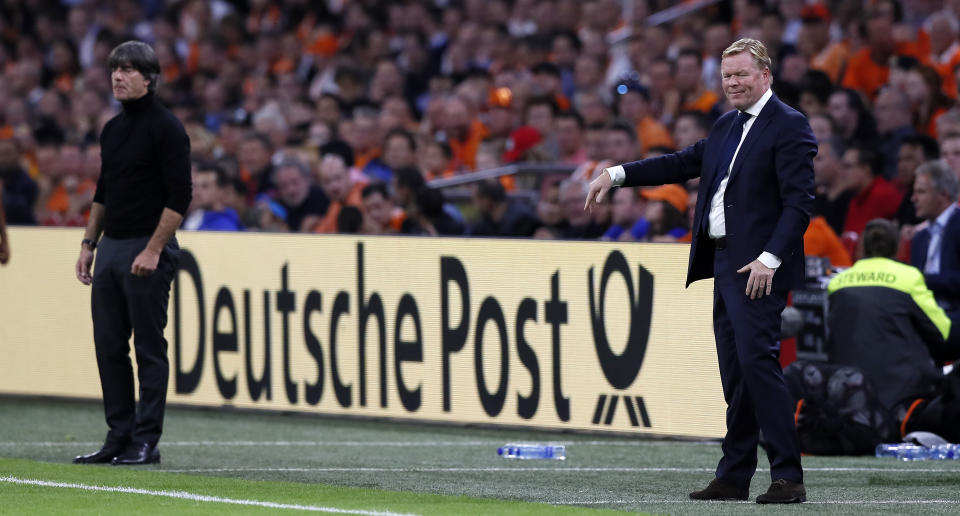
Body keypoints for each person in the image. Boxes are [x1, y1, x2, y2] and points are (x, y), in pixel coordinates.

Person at [585, 39, 813, 504]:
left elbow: (800, 203)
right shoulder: (727, 125)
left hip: (759, 266)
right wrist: (618, 173)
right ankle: (733, 475)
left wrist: (770, 258)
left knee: (756, 364)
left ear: (765, 74)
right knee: (735, 372)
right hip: (725, 262)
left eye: (742, 74)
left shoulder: (790, 125)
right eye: (727, 76)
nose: (732, 83)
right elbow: (680, 163)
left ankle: (788, 476)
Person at [73, 41, 191, 466]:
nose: (118, 77)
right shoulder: (112, 129)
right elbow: (104, 192)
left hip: (147, 245)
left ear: (149, 78)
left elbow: (181, 197)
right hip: (112, 247)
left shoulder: (167, 128)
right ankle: (118, 435)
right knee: (108, 345)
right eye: (114, 69)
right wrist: (89, 245)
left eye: (127, 69)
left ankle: (146, 440)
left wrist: (155, 248)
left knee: (148, 347)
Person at [827, 219, 953, 414]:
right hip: (901, 397)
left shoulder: (838, 283)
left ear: (862, 247)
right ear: (897, 246)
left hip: (849, 394)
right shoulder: (909, 277)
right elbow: (942, 330)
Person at [910, 160, 960, 351]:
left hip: (954, 316)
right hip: (926, 316)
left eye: (921, 192)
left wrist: (925, 280)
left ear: (943, 195)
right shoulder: (920, 237)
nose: (913, 198)